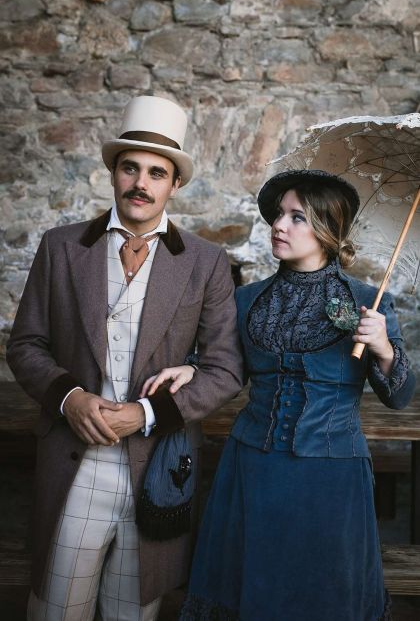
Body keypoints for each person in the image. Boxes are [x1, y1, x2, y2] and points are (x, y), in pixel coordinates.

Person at [6, 94, 243, 621]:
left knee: (132, 614)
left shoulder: (205, 261)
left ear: (174, 184)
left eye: (157, 173)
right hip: (74, 464)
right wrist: (68, 398)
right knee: (55, 611)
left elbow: (226, 369)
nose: (141, 183)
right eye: (130, 168)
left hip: (158, 471)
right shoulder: (61, 246)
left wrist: (147, 413)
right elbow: (24, 344)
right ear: (114, 173)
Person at [143, 169, 416, 621]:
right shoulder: (247, 299)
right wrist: (191, 367)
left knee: (324, 597)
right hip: (252, 466)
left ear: (326, 230)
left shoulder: (370, 302)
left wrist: (384, 349)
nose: (279, 225)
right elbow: (226, 366)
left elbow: (401, 396)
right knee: (248, 591)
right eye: (278, 215)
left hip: (332, 477)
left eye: (296, 217)